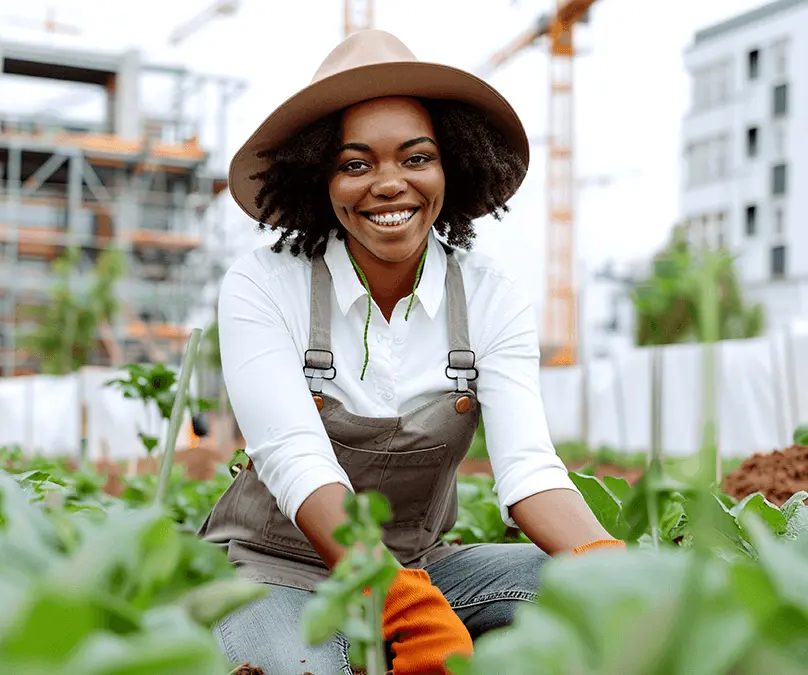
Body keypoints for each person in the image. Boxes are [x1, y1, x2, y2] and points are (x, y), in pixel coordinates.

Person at [199, 29, 624, 675]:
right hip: (276, 570)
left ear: (450, 166)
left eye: (415, 157)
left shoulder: (489, 294)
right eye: (355, 163)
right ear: (321, 177)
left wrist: (614, 570)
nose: (389, 183)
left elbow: (530, 471)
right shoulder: (265, 283)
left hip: (422, 569)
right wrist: (404, 609)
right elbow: (293, 456)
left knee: (568, 588)